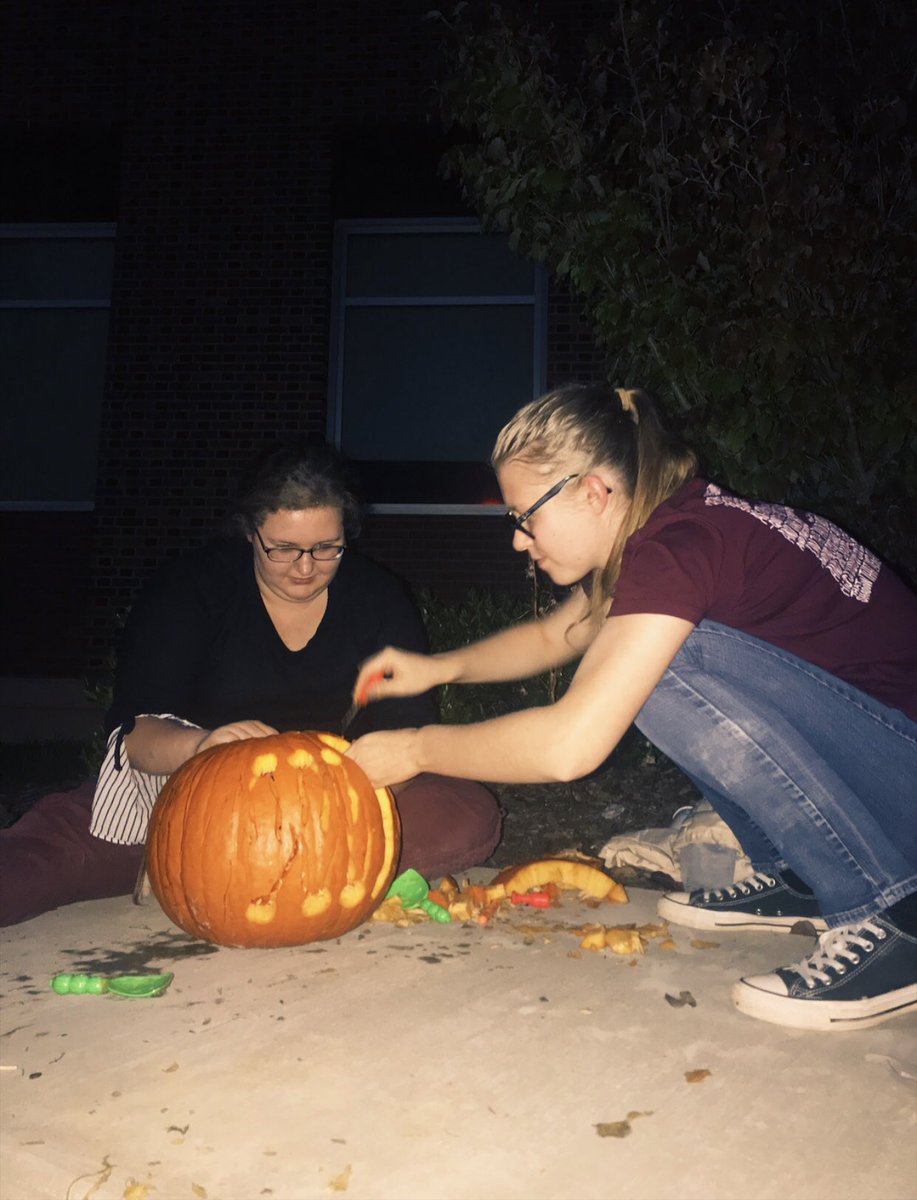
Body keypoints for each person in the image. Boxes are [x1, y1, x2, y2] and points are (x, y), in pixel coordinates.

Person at [346, 384, 917, 1032]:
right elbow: (554, 635)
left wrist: (417, 748)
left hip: (898, 774)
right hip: (888, 759)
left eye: (522, 517)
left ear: (591, 493)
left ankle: (891, 914)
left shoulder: (679, 548)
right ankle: (798, 876)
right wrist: (442, 667)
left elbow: (570, 745)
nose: (517, 540)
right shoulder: (673, 529)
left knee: (663, 662)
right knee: (644, 649)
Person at [0, 441, 500, 927]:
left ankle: (278, 877)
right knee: (48, 852)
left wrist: (330, 794)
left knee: (467, 810)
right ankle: (205, 867)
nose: (305, 568)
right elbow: (135, 735)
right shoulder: (190, 588)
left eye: (326, 548)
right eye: (283, 549)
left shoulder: (378, 598)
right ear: (250, 532)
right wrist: (203, 744)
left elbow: (406, 735)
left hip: (335, 810)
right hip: (191, 803)